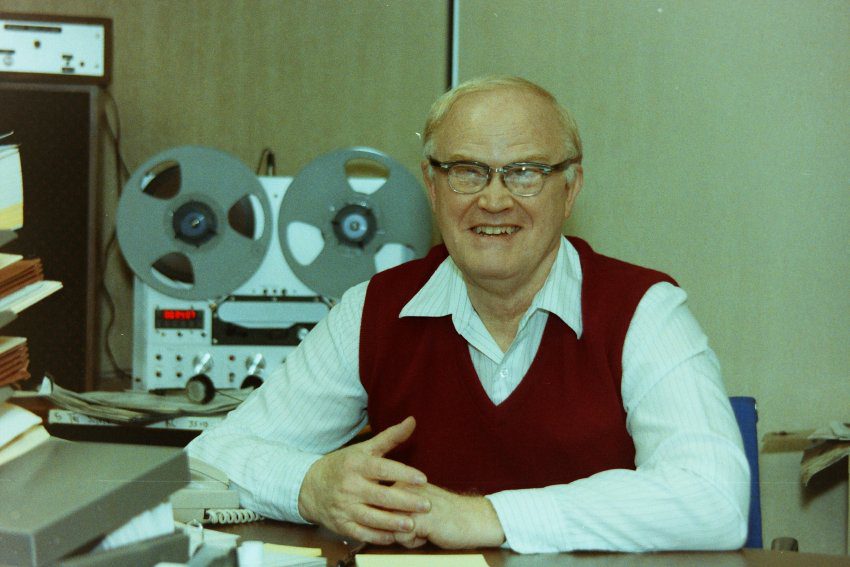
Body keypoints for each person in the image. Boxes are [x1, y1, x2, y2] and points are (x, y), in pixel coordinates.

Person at [187, 75, 749, 553]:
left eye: (525, 172)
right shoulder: (376, 311)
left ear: (571, 187)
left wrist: (486, 518)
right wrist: (309, 485)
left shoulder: (643, 310)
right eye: (467, 171)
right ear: (432, 188)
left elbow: (715, 499)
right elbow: (207, 461)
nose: (495, 200)